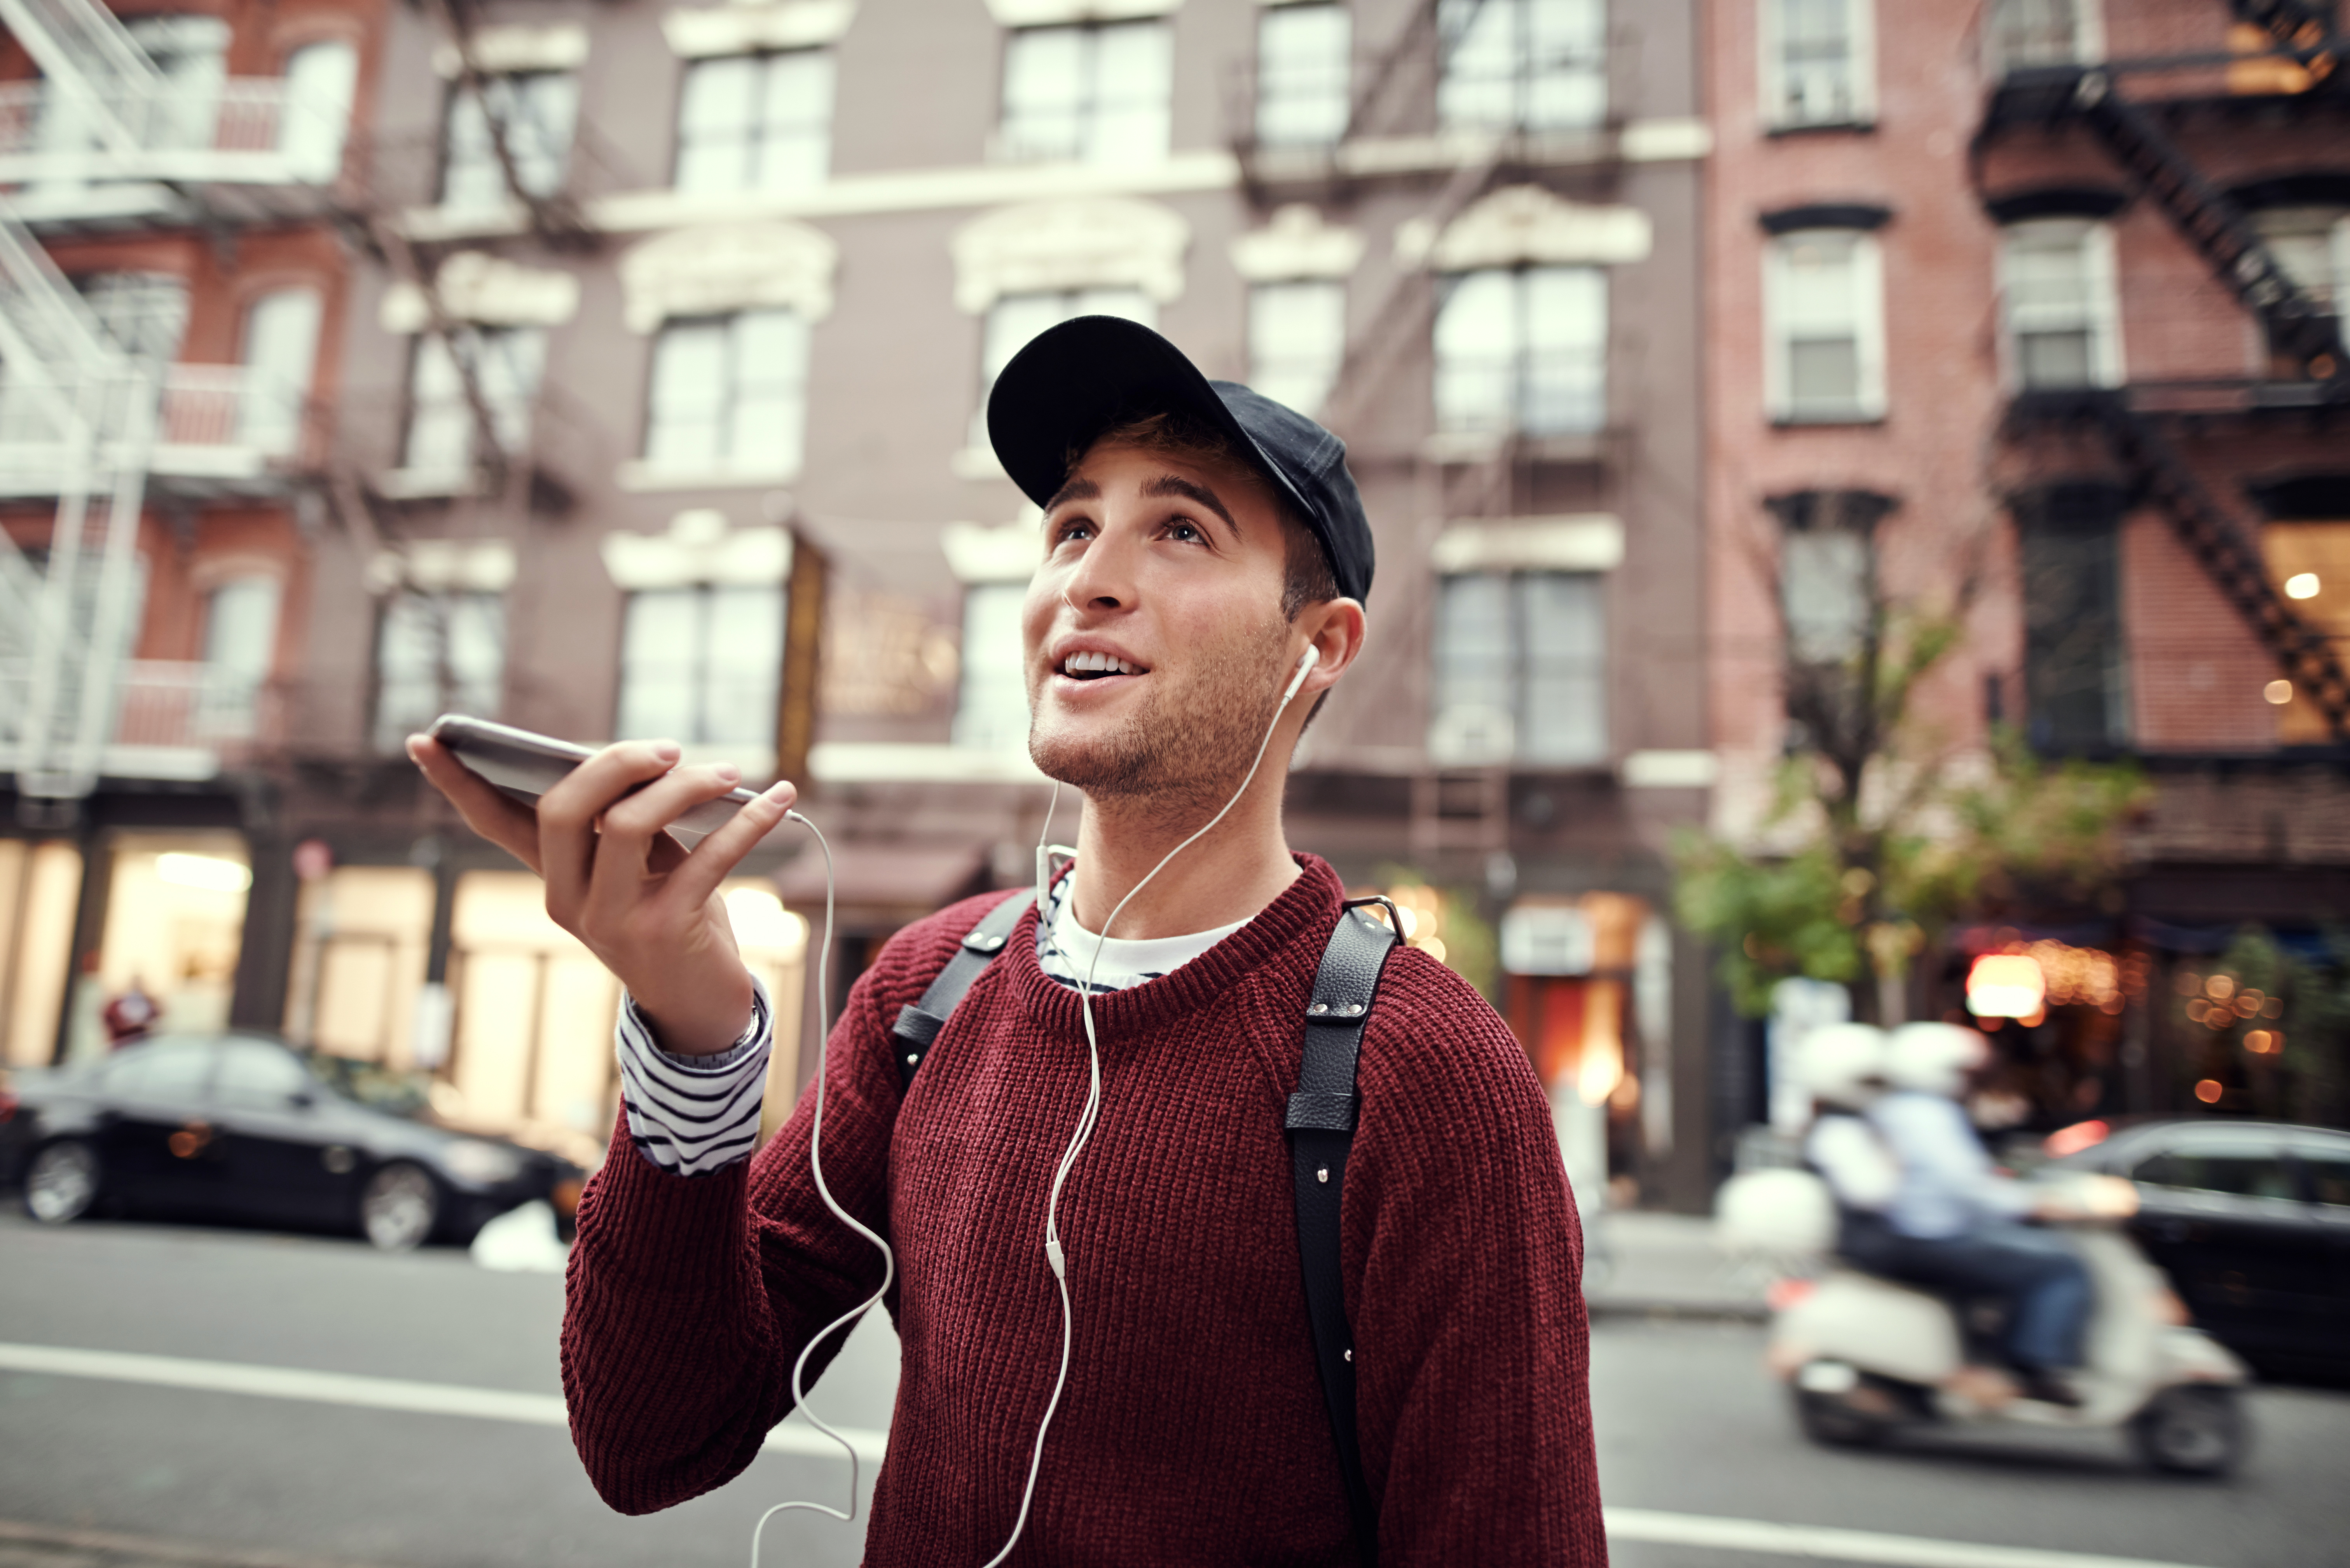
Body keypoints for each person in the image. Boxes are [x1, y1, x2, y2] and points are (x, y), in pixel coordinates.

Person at [407, 316, 1606, 1565]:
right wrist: (692, 1043)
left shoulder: (1424, 1072)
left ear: (1318, 650)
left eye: (1180, 529)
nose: (1087, 575)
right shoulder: (927, 992)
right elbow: (655, 1441)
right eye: (1071, 527)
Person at [1865, 1023, 2092, 1406]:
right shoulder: (1926, 1115)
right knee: (2062, 1265)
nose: (1969, 1082)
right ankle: (2035, 1363)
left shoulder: (1903, 1110)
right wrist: (2030, 1204)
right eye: (1964, 1072)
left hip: (1928, 1231)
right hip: (1937, 1236)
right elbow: (1965, 1184)